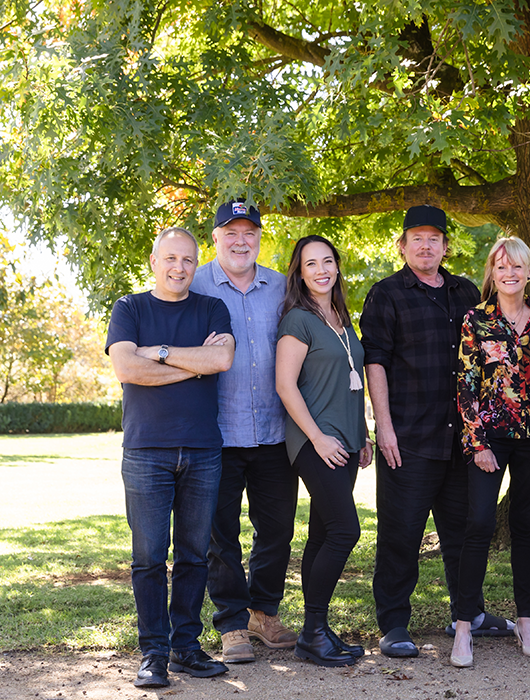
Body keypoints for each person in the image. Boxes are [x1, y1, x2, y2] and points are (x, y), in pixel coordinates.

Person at [361, 205, 511, 659]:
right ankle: (394, 624)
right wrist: (383, 426)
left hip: (461, 440)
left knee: (464, 532)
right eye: (417, 238)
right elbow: (376, 363)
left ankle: (470, 613)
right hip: (408, 437)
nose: (426, 246)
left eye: (434, 239)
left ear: (446, 246)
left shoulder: (465, 291)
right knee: (401, 534)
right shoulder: (385, 294)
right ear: (402, 245)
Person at [106, 228, 235, 688]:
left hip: (203, 449)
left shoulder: (211, 308)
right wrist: (191, 362)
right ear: (153, 260)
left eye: (188, 260)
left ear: (196, 265)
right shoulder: (130, 308)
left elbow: (220, 362)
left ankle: (185, 647)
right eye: (171, 258)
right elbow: (126, 368)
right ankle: (153, 654)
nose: (179, 267)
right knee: (148, 558)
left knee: (195, 556)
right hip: (145, 451)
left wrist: (157, 355)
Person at [189, 200, 299, 664]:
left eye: (249, 232)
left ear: (259, 236)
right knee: (220, 536)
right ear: (215, 238)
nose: (240, 241)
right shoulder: (191, 285)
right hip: (215, 432)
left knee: (276, 529)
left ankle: (263, 611)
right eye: (230, 232)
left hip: (275, 430)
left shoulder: (281, 286)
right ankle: (232, 623)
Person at [451, 237, 530, 668]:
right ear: (491, 273)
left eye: (517, 267)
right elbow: (466, 383)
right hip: (489, 438)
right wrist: (477, 443)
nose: (509, 274)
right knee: (479, 523)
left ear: (529, 272)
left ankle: (526, 621)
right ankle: (463, 627)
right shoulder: (476, 319)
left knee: (524, 526)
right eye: (501, 267)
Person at [275, 235, 373, 667]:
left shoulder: (340, 317)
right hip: (316, 442)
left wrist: (363, 433)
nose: (321, 270)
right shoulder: (298, 319)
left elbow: (348, 382)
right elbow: (284, 385)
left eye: (328, 261)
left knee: (322, 533)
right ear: (299, 272)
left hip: (346, 440)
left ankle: (316, 631)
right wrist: (317, 437)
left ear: (337, 266)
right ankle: (312, 631)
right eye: (310, 263)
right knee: (345, 532)